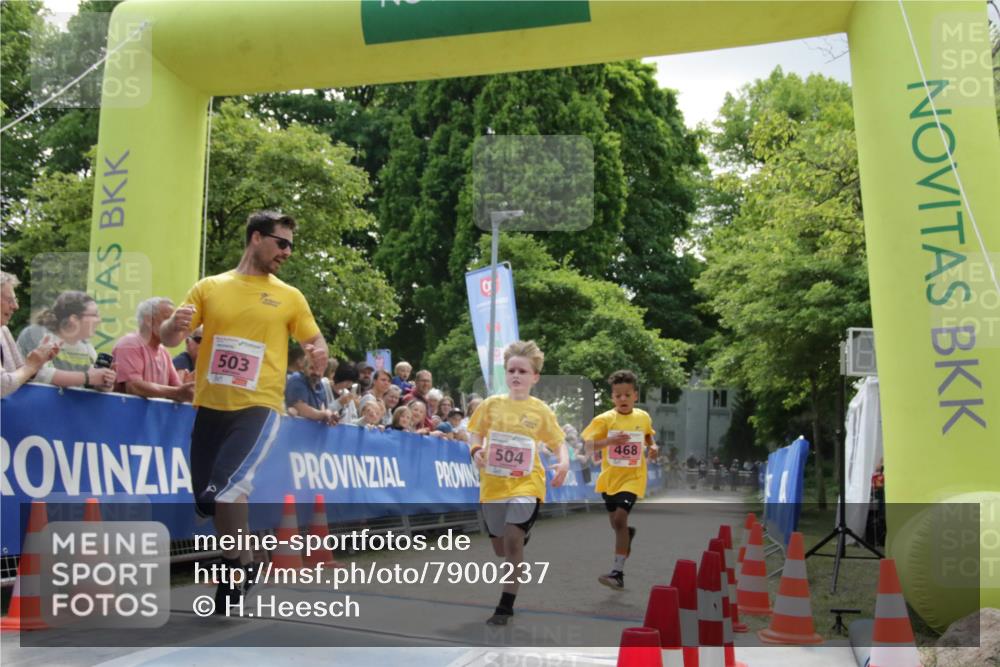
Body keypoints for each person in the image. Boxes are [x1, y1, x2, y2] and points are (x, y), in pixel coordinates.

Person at [160, 210, 328, 614]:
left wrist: (319, 354)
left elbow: (314, 339)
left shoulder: (289, 296)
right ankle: (240, 563)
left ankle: (238, 564)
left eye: (291, 245)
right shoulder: (210, 287)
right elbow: (169, 337)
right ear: (256, 238)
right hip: (211, 406)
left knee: (224, 484)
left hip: (259, 406)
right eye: (281, 243)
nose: (287, 252)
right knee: (212, 499)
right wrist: (173, 324)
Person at [468, 340, 569, 625]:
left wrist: (563, 462)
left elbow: (558, 442)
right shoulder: (490, 405)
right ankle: (520, 534)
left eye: (523, 371)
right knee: (501, 548)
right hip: (493, 486)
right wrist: (476, 451)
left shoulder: (541, 411)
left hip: (528, 483)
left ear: (534, 377)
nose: (516, 375)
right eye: (511, 369)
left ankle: (505, 605)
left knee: (512, 541)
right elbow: (474, 434)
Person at [582, 369, 657, 590]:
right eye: (618, 395)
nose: (623, 399)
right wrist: (608, 443)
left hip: (633, 477)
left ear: (636, 395)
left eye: (627, 394)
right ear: (612, 397)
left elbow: (648, 436)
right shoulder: (604, 420)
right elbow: (587, 445)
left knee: (620, 519)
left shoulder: (643, 417)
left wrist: (653, 447)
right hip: (610, 478)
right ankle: (627, 535)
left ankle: (617, 572)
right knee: (616, 524)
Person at [113, 297, 194, 401]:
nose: (172, 325)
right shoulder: (129, 344)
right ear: (148, 320)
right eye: (168, 319)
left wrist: (189, 385)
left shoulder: (163, 351)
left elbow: (177, 388)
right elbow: (134, 387)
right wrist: (178, 392)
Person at [33, 291, 116, 391]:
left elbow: (93, 384)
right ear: (74, 319)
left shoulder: (86, 346)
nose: (99, 320)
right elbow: (42, 375)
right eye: (94, 315)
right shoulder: (42, 337)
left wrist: (104, 382)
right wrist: (88, 377)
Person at [1, 272, 59, 397]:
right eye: (10, 300)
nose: (15, 306)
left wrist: (39, 359)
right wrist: (31, 366)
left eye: (15, 300)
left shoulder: (3, 331)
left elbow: (19, 374)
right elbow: (2, 385)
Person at [285, 354, 336, 425]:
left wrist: (330, 415)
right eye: (312, 368)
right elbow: (302, 410)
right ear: (304, 368)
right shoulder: (297, 380)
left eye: (319, 369)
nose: (316, 372)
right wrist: (325, 414)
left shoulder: (320, 385)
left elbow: (321, 409)